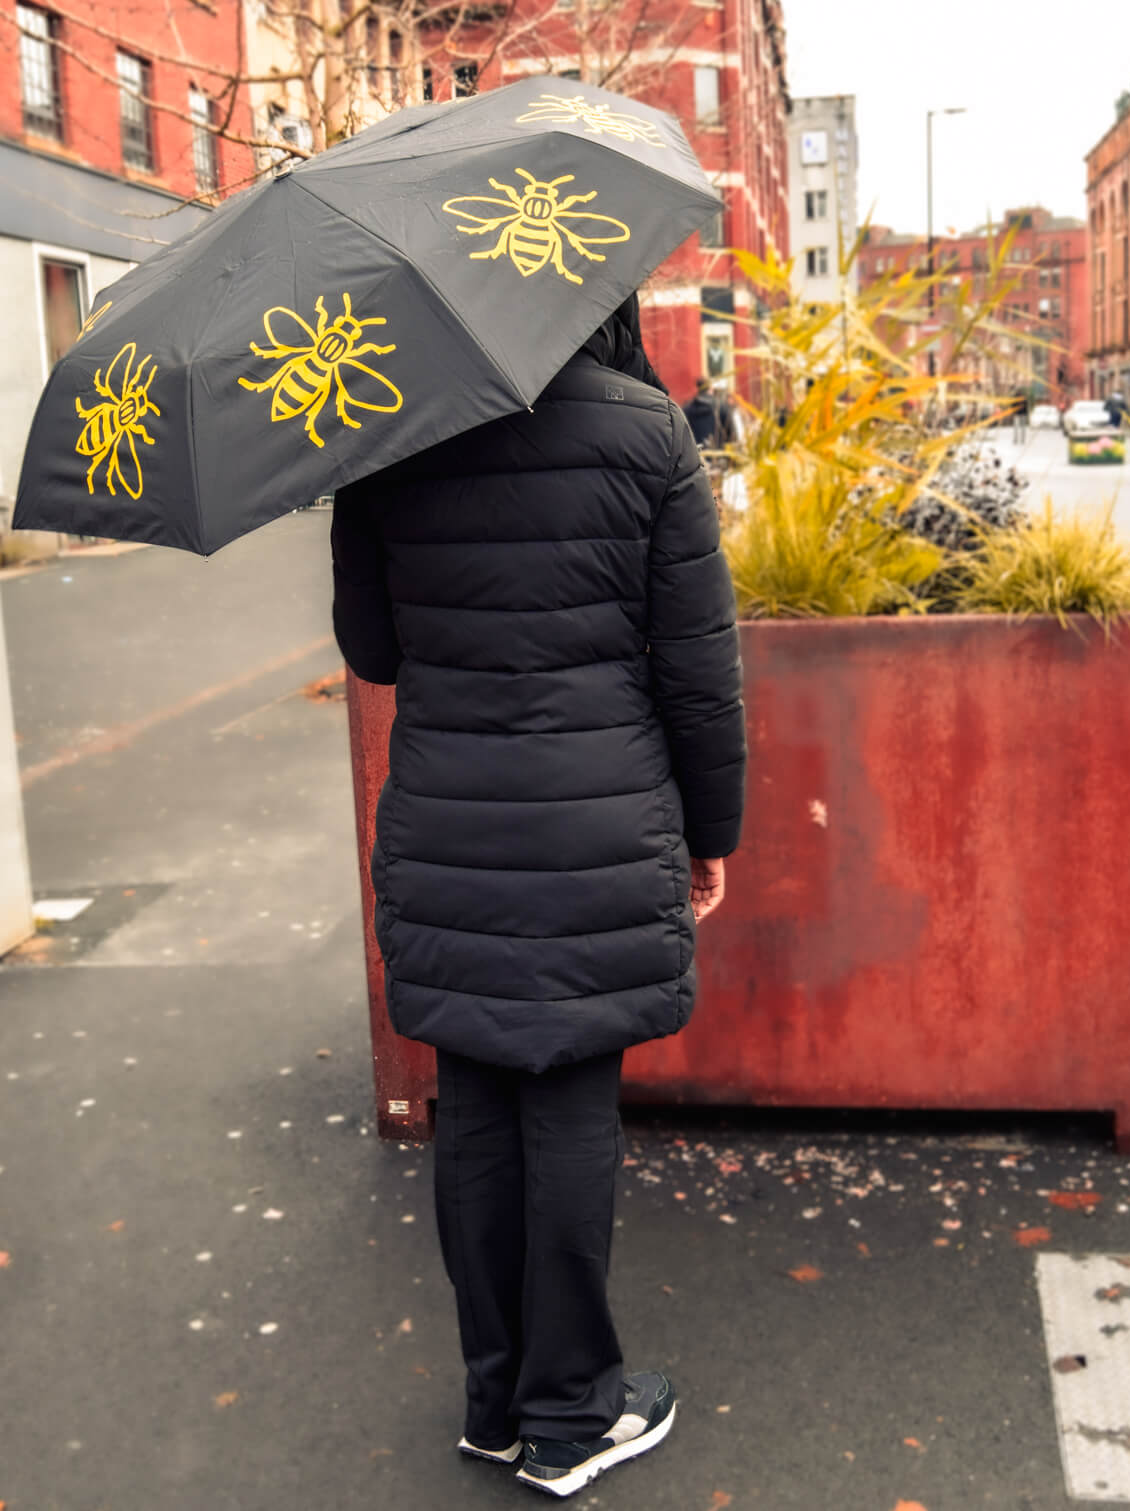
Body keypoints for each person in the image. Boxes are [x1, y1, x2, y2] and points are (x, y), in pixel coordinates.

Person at [330, 293, 746, 1498]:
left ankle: (497, 1401)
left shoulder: (387, 433)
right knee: (565, 1101)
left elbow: (373, 648)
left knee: (474, 1101)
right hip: (597, 826)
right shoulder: (647, 434)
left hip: (452, 825)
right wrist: (709, 835)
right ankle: (569, 1414)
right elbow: (699, 672)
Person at [682, 376, 737, 450]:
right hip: (719, 456)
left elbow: (683, 435)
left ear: (698, 388)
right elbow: (732, 435)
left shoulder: (687, 408)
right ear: (711, 388)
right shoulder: (722, 406)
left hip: (696, 456)